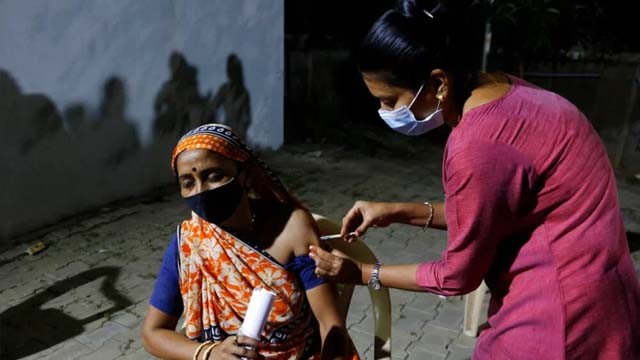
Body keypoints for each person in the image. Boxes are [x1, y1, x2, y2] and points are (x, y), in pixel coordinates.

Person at [308, 1, 640, 359]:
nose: (386, 113)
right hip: (607, 294)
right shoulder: (507, 90)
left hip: (560, 317)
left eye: (390, 101)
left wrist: (361, 272)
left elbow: (456, 277)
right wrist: (395, 211)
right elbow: (487, 210)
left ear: (438, 82)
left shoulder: (474, 144)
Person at [142, 124, 358, 359]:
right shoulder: (190, 242)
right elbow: (153, 334)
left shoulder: (292, 227)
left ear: (244, 176)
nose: (201, 191)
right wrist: (208, 353)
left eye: (214, 176)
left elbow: (331, 325)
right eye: (188, 183)